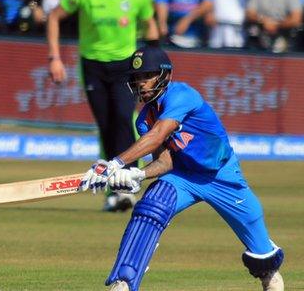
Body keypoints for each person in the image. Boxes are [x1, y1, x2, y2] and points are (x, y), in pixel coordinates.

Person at [79, 46, 285, 291]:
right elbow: (165, 161)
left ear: (165, 75)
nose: (141, 83)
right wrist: (139, 174)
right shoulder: (144, 118)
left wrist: (115, 163)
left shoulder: (182, 95)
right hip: (184, 176)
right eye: (136, 78)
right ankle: (124, 282)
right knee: (151, 207)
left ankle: (269, 274)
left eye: (147, 76)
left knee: (263, 257)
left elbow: (158, 136)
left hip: (221, 176)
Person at [47, 0, 158, 211]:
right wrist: (55, 58)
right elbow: (53, 17)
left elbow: (151, 26)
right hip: (93, 66)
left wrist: (153, 62)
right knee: (106, 125)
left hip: (125, 66)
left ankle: (128, 182)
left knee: (123, 118)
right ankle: (115, 187)